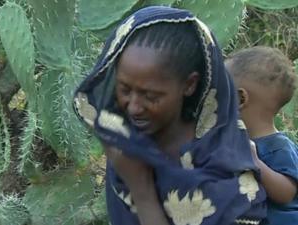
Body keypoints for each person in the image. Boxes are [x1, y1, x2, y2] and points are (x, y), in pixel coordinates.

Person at [73, 6, 266, 225]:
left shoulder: (227, 165)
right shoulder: (129, 142)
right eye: (124, 90)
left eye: (151, 96)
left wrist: (141, 190)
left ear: (189, 85)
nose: (134, 107)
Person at [226, 46, 298, 225]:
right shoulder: (234, 141)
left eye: (219, 91)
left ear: (241, 98)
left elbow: (287, 193)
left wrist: (256, 163)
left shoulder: (279, 146)